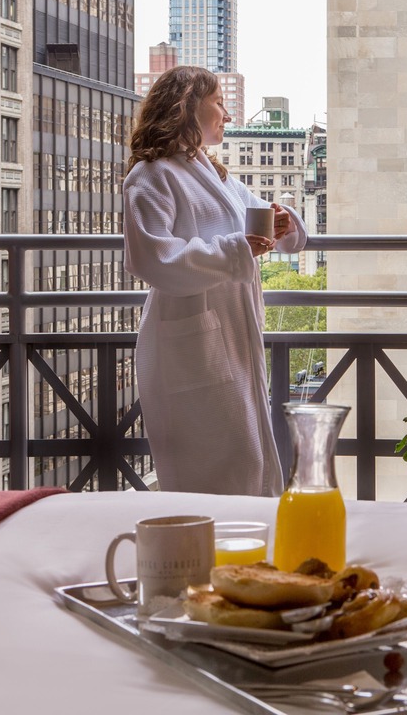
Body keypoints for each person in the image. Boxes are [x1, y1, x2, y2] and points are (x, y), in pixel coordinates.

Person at [122, 65, 307, 496]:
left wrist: (282, 223)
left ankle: (246, 556)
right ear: (188, 105)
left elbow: (260, 218)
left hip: (232, 338)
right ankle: (202, 558)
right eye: (219, 102)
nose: (226, 113)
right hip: (191, 344)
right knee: (217, 464)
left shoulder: (213, 174)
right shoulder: (151, 176)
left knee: (249, 458)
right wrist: (237, 250)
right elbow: (152, 258)